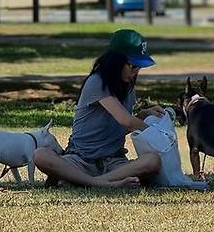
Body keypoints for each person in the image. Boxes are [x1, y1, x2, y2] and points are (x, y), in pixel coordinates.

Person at [34, 29, 164, 188]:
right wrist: (158, 133)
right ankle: (101, 183)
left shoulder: (128, 87)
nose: (136, 72)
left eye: (139, 67)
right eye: (133, 66)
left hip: (113, 162)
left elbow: (118, 127)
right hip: (81, 159)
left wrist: (144, 115)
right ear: (116, 62)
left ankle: (87, 181)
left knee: (153, 161)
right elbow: (126, 121)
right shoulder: (97, 82)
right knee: (41, 155)